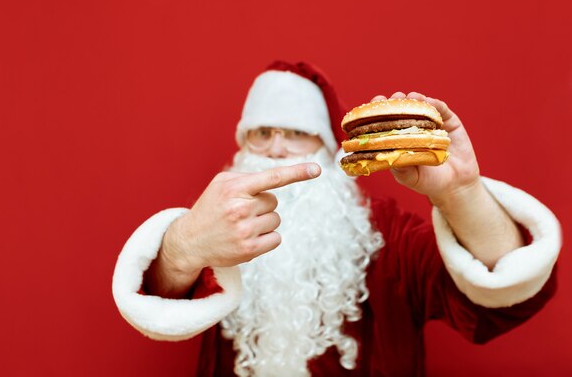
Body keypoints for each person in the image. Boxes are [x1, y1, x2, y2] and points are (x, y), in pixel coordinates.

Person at [112, 61, 561, 377]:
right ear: (243, 143)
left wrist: (461, 192)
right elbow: (159, 301)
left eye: (297, 134)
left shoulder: (386, 234)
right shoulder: (214, 228)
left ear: (329, 150)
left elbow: (504, 295)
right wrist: (185, 245)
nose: (275, 149)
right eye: (262, 132)